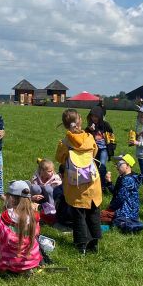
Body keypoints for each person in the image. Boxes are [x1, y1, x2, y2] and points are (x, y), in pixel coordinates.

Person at [56, 109, 103, 254]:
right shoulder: (89, 137)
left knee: (78, 214)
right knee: (93, 212)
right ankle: (94, 243)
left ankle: (81, 245)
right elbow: (95, 152)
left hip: (74, 183)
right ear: (80, 121)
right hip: (92, 181)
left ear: (65, 125)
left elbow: (60, 158)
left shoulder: (65, 142)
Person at [0, 180, 42, 275]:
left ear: (11, 198)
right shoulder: (34, 216)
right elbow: (36, 233)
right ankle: (26, 269)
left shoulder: (4, 217)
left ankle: (4, 269)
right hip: (31, 261)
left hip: (9, 262)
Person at [106, 154, 143, 232]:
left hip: (125, 212)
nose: (117, 166)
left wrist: (111, 207)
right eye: (116, 164)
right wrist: (109, 182)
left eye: (119, 164)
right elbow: (116, 193)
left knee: (98, 218)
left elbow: (120, 198)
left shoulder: (128, 179)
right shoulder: (123, 177)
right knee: (99, 217)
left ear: (127, 166)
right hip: (125, 210)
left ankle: (121, 225)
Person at [86, 105, 115, 193]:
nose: (94, 118)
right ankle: (95, 184)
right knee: (93, 167)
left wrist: (112, 146)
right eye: (92, 116)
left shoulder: (105, 125)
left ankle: (103, 185)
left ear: (100, 116)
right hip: (94, 149)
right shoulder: (90, 126)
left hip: (104, 149)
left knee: (102, 166)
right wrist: (90, 130)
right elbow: (86, 137)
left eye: (96, 116)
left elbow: (111, 135)